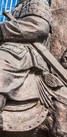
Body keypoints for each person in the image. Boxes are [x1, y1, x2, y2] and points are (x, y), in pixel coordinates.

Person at [0, 0, 52, 129]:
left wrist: (2, 29)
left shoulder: (37, 2)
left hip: (25, 51)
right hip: (12, 46)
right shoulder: (20, 5)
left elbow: (38, 27)